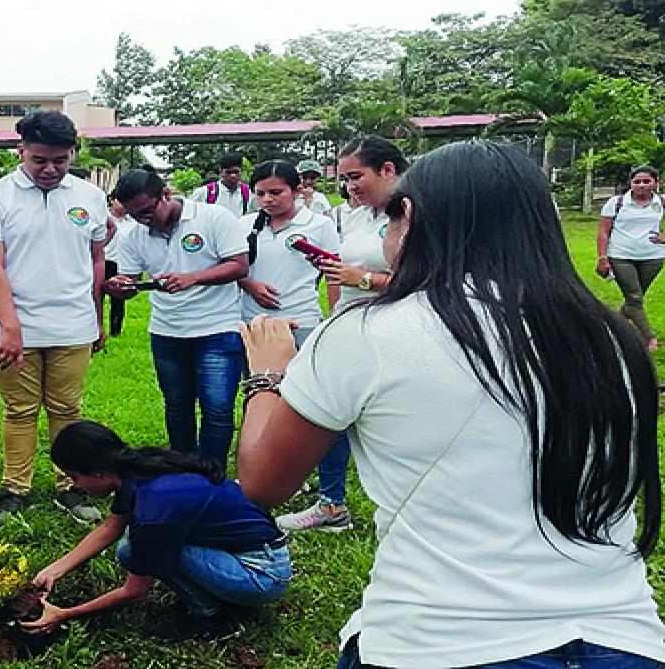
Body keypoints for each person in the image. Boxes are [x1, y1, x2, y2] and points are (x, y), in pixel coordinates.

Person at [237, 141, 665, 668]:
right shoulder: (611, 337)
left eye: (389, 218)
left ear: (410, 217)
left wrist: (267, 375)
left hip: (438, 639)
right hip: (624, 639)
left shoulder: (367, 333)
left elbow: (262, 482)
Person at [20, 422, 290, 642]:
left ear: (99, 473)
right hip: (251, 553)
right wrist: (55, 570)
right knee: (132, 549)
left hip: (262, 574)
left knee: (140, 549)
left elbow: (135, 590)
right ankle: (213, 600)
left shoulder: (153, 510)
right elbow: (111, 527)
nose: (76, 486)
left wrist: (65, 614)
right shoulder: (135, 469)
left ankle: (211, 618)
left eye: (75, 477)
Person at [0, 110, 108, 528]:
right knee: (19, 410)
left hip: (73, 325)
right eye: (39, 160)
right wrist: (10, 327)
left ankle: (70, 485)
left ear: (72, 154)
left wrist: (97, 317)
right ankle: (15, 489)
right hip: (12, 328)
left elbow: (96, 260)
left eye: (60, 160)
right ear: (21, 152)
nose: (50, 169)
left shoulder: (90, 197)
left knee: (67, 408)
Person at [278, 136, 408, 533]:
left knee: (388, 424)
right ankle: (332, 502)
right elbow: (344, 273)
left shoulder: (415, 213)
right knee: (331, 413)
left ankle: (403, 506)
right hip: (350, 326)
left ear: (388, 170)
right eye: (345, 179)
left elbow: (428, 280)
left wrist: (363, 278)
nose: (349, 186)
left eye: (356, 177)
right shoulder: (355, 216)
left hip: (397, 329)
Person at [108, 168, 249, 463]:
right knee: (177, 405)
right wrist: (121, 287)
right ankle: (183, 468)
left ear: (166, 194)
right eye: (134, 215)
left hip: (217, 327)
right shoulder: (132, 234)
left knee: (217, 407)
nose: (143, 220)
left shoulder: (213, 218)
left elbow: (238, 265)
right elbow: (130, 281)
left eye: (147, 211)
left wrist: (193, 278)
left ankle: (212, 472)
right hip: (167, 331)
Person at [238, 161, 341, 344]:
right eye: (260, 194)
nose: (267, 199)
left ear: (296, 191)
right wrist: (248, 284)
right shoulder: (244, 225)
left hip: (301, 321)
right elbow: (230, 266)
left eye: (276, 192)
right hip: (253, 322)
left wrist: (335, 319)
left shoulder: (319, 225)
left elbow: (333, 275)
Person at [597, 166, 664, 351]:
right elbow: (603, 232)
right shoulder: (616, 202)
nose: (641, 185)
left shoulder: (661, 201)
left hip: (653, 257)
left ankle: (614, 328)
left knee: (633, 300)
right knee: (634, 297)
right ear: (630, 183)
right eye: (637, 181)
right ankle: (649, 338)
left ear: (655, 183)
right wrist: (602, 257)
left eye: (646, 181)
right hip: (621, 256)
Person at [103, 195, 135, 337]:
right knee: (97, 296)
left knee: (118, 299)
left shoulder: (132, 221)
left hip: (121, 264)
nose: (122, 204)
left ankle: (115, 331)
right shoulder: (104, 218)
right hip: (105, 261)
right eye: (119, 200)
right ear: (112, 201)